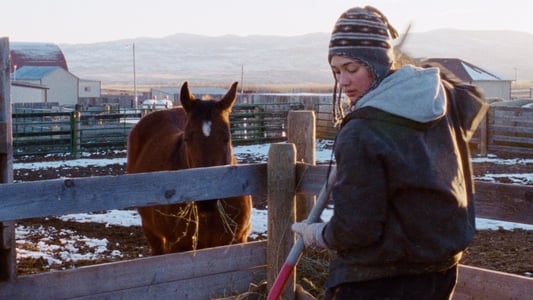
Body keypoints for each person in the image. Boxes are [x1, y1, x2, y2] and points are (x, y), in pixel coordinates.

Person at [291, 5, 489, 300]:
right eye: (336, 71)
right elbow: (472, 101)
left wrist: (317, 235)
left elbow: (356, 230)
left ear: (379, 64)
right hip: (439, 270)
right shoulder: (439, 99)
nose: (342, 81)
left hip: (378, 279)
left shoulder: (362, 131)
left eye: (352, 68)